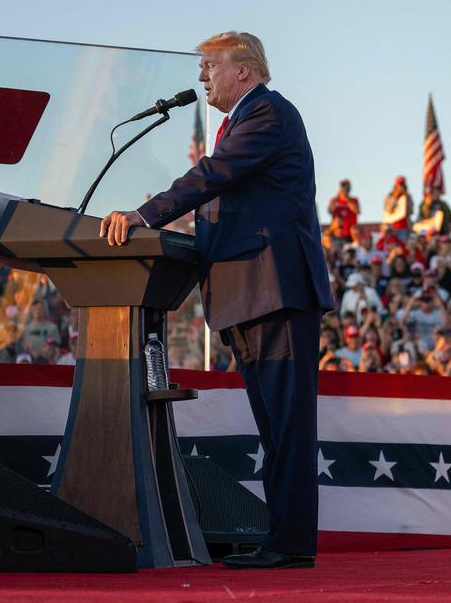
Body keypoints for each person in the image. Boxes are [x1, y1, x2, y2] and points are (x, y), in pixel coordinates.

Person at [100, 31, 331, 569]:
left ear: (244, 71)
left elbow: (213, 175)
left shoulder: (267, 115)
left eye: (209, 66)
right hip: (249, 293)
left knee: (288, 425)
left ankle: (291, 544)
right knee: (275, 427)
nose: (201, 76)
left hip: (275, 291)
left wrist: (144, 214)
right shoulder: (244, 120)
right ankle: (283, 538)